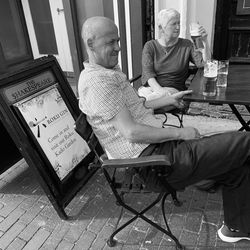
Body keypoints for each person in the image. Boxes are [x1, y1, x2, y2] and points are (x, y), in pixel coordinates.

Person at [78, 16, 250, 243]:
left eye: (118, 40)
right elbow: (131, 132)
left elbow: (138, 107)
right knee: (245, 141)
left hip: (162, 150)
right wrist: (181, 132)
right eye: (111, 42)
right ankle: (210, 183)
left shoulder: (107, 72)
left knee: (238, 163)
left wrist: (168, 98)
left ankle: (235, 227)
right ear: (91, 44)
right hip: (156, 164)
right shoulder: (99, 82)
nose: (118, 47)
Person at [139, 8, 211, 100]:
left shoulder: (186, 44)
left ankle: (144, 105)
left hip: (174, 91)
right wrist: (160, 91)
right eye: (173, 24)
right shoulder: (150, 46)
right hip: (152, 89)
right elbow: (148, 74)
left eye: (178, 23)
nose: (178, 27)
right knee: (147, 98)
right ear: (161, 28)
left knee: (141, 103)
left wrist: (204, 41)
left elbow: (204, 64)